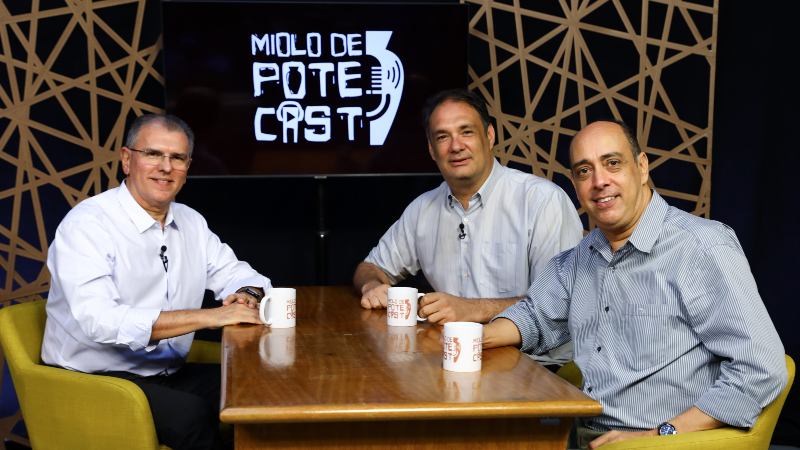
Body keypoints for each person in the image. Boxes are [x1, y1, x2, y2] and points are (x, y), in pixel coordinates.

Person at [482, 120, 788, 449]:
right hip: (581, 432)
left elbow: (762, 367)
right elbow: (535, 316)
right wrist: (472, 338)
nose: (599, 181)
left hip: (661, 441)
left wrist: (661, 434)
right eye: (584, 171)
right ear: (575, 185)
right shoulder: (583, 255)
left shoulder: (703, 248)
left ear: (641, 167)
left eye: (612, 163)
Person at [41, 114, 269, 450]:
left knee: (260, 385)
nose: (165, 167)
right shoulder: (87, 224)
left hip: (168, 373)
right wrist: (210, 317)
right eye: (153, 154)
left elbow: (239, 273)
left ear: (187, 167)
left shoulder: (191, 222)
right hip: (94, 380)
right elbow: (100, 321)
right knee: (191, 416)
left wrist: (246, 294)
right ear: (126, 159)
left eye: (177, 158)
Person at [354, 89, 583, 368]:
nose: (456, 146)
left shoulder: (542, 201)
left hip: (536, 365)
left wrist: (472, 310)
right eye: (442, 137)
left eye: (466, 132)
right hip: (452, 357)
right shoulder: (422, 209)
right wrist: (372, 286)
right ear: (431, 149)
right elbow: (370, 267)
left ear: (489, 135)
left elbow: (558, 306)